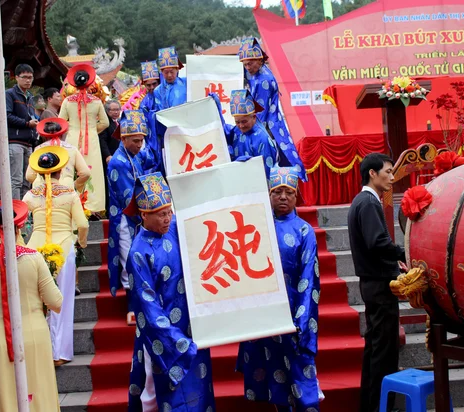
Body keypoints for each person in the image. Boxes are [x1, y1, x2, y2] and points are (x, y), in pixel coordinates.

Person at [126, 172, 215, 412]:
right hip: (162, 336)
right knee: (156, 396)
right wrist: (176, 341)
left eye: (169, 212)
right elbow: (147, 307)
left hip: (190, 324)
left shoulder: (173, 228)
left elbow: (201, 212)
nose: (168, 218)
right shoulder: (138, 252)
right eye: (161, 214)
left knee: (199, 389)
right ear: (144, 214)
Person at [237, 166, 323, 412]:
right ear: (269, 195)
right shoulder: (257, 227)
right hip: (266, 314)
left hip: (295, 314)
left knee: (301, 378)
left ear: (296, 195)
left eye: (288, 192)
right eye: (277, 192)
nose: (283, 197)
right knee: (275, 378)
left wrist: (302, 318)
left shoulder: (304, 231)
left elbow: (310, 279)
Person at [0, 200, 63, 411]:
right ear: (18, 228)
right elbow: (55, 302)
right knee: (40, 393)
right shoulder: (34, 258)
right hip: (34, 333)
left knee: (4, 397)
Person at [347, 153, 406, 412]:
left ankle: (371, 405)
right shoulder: (369, 202)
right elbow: (377, 242)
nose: (392, 177)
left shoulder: (362, 201)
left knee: (375, 349)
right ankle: (383, 407)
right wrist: (405, 252)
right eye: (388, 171)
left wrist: (395, 261)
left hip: (374, 283)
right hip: (379, 286)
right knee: (384, 351)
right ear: (372, 173)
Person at [23, 147, 89, 366]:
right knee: (62, 300)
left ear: (40, 172)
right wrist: (81, 243)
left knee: (37, 302)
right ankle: (59, 353)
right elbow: (82, 224)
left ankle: (39, 351)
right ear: (61, 170)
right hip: (63, 247)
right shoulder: (70, 193)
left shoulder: (30, 195)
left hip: (34, 249)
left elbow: (20, 224)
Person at [238, 38, 306, 181]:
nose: (247, 68)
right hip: (263, 122)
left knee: (268, 166)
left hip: (266, 126)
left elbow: (260, 113)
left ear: (259, 60)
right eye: (245, 65)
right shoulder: (255, 72)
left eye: (250, 64)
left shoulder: (264, 80)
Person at [107, 110, 159, 297]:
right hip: (125, 216)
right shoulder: (118, 162)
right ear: (123, 139)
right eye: (136, 141)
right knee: (129, 257)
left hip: (137, 214)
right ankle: (131, 303)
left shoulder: (135, 154)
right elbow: (129, 197)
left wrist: (154, 126)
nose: (140, 145)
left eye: (141, 140)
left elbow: (152, 158)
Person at [59, 63, 110, 213]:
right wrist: (93, 130)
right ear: (89, 82)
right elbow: (105, 123)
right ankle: (92, 207)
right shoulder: (96, 101)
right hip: (92, 140)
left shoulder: (67, 101)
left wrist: (73, 129)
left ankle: (71, 204)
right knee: (92, 171)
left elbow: (61, 122)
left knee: (71, 170)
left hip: (73, 139)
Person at [26, 117, 91, 193]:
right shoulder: (72, 149)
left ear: (44, 135)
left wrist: (40, 182)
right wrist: (74, 185)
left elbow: (29, 175)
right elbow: (86, 173)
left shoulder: (38, 149)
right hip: (66, 188)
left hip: (42, 190)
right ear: (62, 133)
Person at [227, 89, 278, 179]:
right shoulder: (236, 131)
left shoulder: (263, 139)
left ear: (254, 117)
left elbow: (268, 174)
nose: (241, 126)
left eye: (244, 121)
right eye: (237, 122)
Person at [6, 63, 37, 200]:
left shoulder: (30, 97)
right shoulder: (10, 94)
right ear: (16, 78)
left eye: (30, 77)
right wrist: (26, 123)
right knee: (16, 180)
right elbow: (6, 116)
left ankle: (25, 212)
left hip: (28, 142)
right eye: (24, 77)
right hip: (15, 141)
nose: (28, 80)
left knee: (27, 180)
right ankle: (15, 211)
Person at [100, 100, 123, 211]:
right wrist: (107, 155)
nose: (115, 112)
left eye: (117, 109)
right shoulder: (106, 123)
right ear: (107, 111)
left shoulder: (119, 122)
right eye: (112, 110)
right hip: (109, 158)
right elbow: (102, 141)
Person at [154, 46, 187, 111]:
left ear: (177, 69)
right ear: (162, 72)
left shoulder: (186, 82)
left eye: (172, 72)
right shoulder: (158, 91)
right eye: (166, 72)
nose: (169, 75)